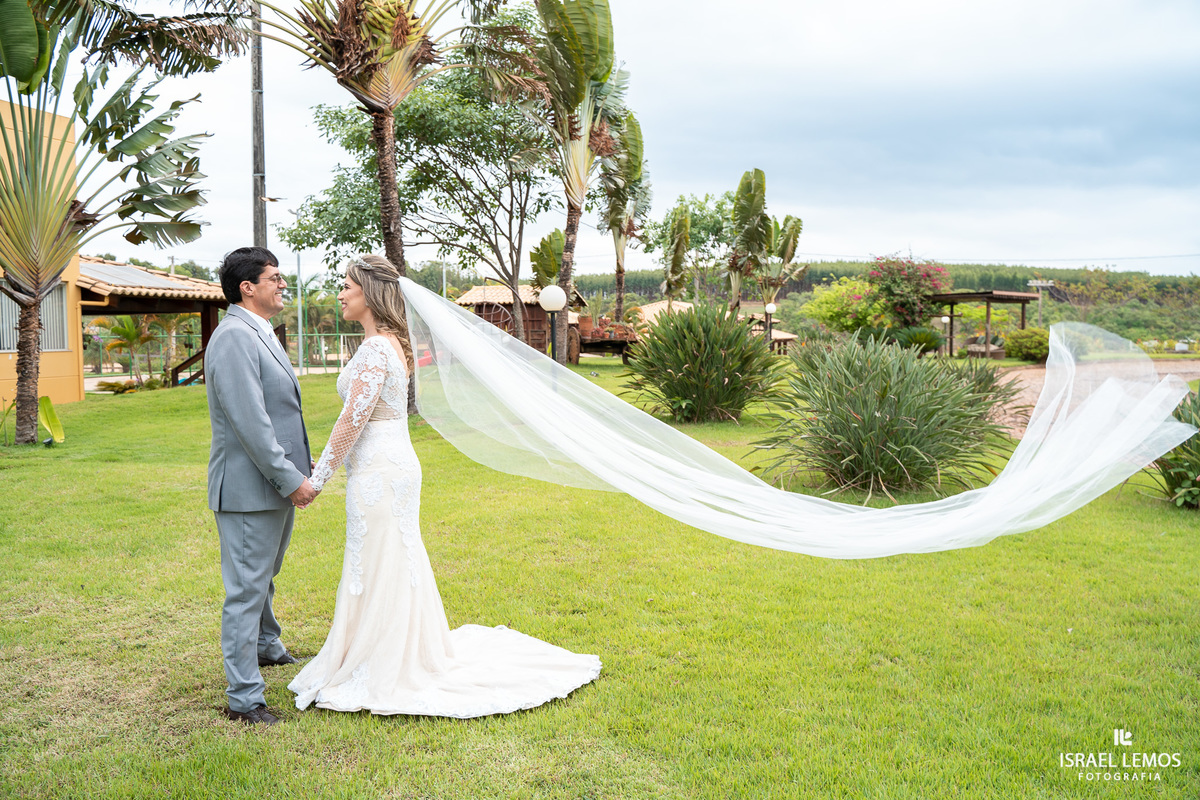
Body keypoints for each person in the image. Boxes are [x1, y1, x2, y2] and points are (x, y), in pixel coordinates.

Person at [289, 254, 600, 717]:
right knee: (386, 555)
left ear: (370, 294)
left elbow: (352, 421)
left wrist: (317, 479)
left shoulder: (376, 349)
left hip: (381, 470)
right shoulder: (390, 343)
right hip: (385, 463)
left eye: (347, 286)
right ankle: (390, 647)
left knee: (380, 556)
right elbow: (367, 418)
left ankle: (388, 660)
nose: (340, 293)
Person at [207, 247, 317, 726]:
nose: (282, 284)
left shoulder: (258, 331)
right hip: (251, 488)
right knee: (246, 590)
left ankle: (268, 648)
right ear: (246, 287)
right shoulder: (233, 336)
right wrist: (291, 479)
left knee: (263, 577)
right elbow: (250, 422)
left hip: (269, 487)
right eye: (274, 278)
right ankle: (244, 698)